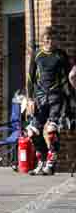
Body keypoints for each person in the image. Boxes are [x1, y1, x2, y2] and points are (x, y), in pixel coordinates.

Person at [26, 27, 73, 175]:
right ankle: (43, 161)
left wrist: (71, 101)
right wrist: (29, 99)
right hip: (40, 98)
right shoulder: (37, 55)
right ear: (42, 40)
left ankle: (51, 164)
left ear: (56, 40)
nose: (49, 42)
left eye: (52, 39)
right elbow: (30, 79)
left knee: (52, 131)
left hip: (56, 98)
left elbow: (67, 79)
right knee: (32, 132)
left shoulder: (61, 56)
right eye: (46, 39)